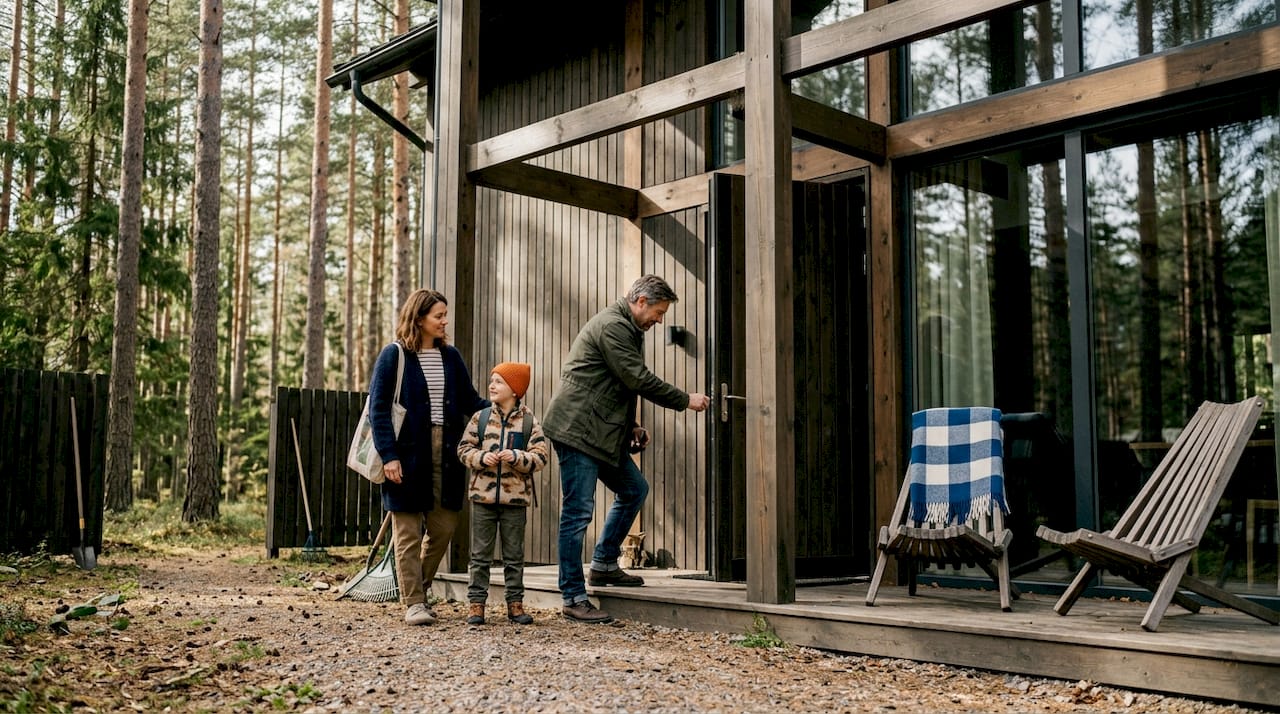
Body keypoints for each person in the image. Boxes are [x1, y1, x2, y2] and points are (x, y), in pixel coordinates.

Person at [542, 275, 711, 624]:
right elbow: (636, 377)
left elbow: (619, 383)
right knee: (577, 513)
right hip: (578, 430)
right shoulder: (612, 326)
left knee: (634, 489)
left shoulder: (629, 327)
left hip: (600, 431)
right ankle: (573, 596)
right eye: (659, 312)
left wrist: (631, 425)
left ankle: (603, 564)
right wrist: (685, 400)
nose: (660, 320)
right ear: (641, 301)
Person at [366, 288, 487, 626]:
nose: (444, 321)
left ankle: (418, 586)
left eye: (445, 314)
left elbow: (469, 402)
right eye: (439, 316)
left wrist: (504, 407)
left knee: (444, 526)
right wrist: (389, 455)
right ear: (419, 318)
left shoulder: (451, 356)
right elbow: (378, 410)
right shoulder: (394, 355)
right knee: (407, 532)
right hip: (406, 454)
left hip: (447, 453)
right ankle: (415, 602)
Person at [457, 362, 550, 625]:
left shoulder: (530, 421)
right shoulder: (481, 418)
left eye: (498, 381)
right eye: (492, 380)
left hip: (515, 500)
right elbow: (463, 449)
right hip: (482, 499)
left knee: (514, 555)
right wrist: (482, 457)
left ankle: (515, 605)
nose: (491, 386)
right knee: (480, 555)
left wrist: (518, 457)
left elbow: (541, 457)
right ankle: (476, 605)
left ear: (515, 389)